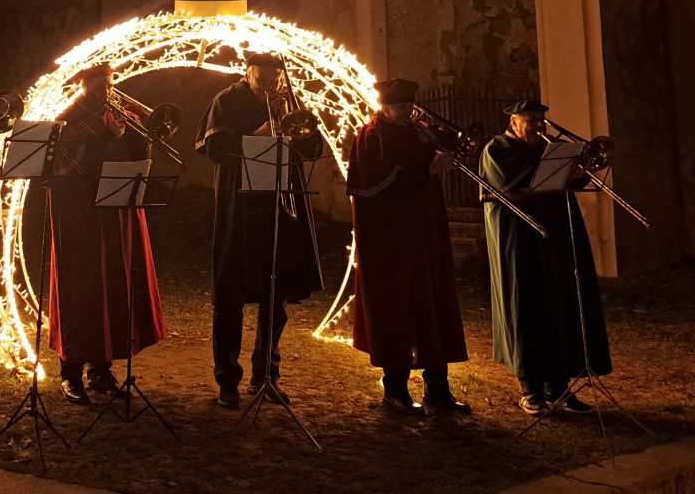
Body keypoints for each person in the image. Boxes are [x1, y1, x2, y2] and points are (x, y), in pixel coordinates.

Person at [195, 51, 324, 409]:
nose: (268, 87)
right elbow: (215, 147)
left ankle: (267, 376)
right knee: (230, 294)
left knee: (275, 295)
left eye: (274, 80)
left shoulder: (289, 101)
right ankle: (227, 380)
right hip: (239, 208)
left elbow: (312, 148)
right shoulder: (227, 100)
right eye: (261, 80)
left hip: (278, 207)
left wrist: (290, 122)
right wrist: (258, 134)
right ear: (248, 74)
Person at [479, 99, 612, 415]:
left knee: (560, 302)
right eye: (531, 121)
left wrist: (583, 167)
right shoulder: (497, 149)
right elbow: (508, 187)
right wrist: (546, 165)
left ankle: (558, 387)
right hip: (520, 237)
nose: (539, 127)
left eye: (541, 121)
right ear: (514, 122)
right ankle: (531, 390)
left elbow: (570, 181)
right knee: (527, 307)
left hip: (556, 233)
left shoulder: (552, 148)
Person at [346, 78, 470, 414]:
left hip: (427, 232)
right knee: (396, 308)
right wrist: (428, 170)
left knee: (434, 303)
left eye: (408, 105)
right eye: (399, 106)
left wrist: (451, 143)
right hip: (392, 239)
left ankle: (438, 389)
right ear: (384, 105)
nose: (406, 112)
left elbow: (455, 145)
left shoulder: (420, 130)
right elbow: (373, 185)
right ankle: (395, 388)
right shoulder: (371, 135)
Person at [47, 62, 165, 404]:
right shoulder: (68, 119)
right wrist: (108, 138)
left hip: (115, 210)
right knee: (80, 290)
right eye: (99, 86)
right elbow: (68, 165)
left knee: (114, 286)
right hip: (78, 216)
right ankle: (71, 372)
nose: (106, 92)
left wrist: (145, 135)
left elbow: (135, 161)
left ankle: (101, 369)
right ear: (82, 85)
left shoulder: (119, 115)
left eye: (110, 85)